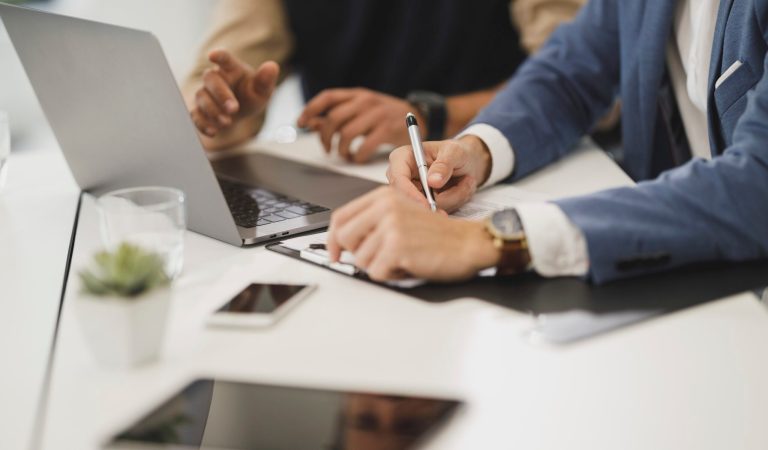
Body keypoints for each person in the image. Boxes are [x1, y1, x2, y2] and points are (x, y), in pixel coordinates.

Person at [326, 0, 768, 284]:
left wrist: (492, 240)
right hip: (682, 280)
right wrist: (476, 151)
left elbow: (758, 185)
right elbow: (570, 74)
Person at [183, 0, 586, 162]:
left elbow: (587, 82)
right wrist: (222, 113)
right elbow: (205, 91)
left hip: (495, 171)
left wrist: (432, 117)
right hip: (339, 184)